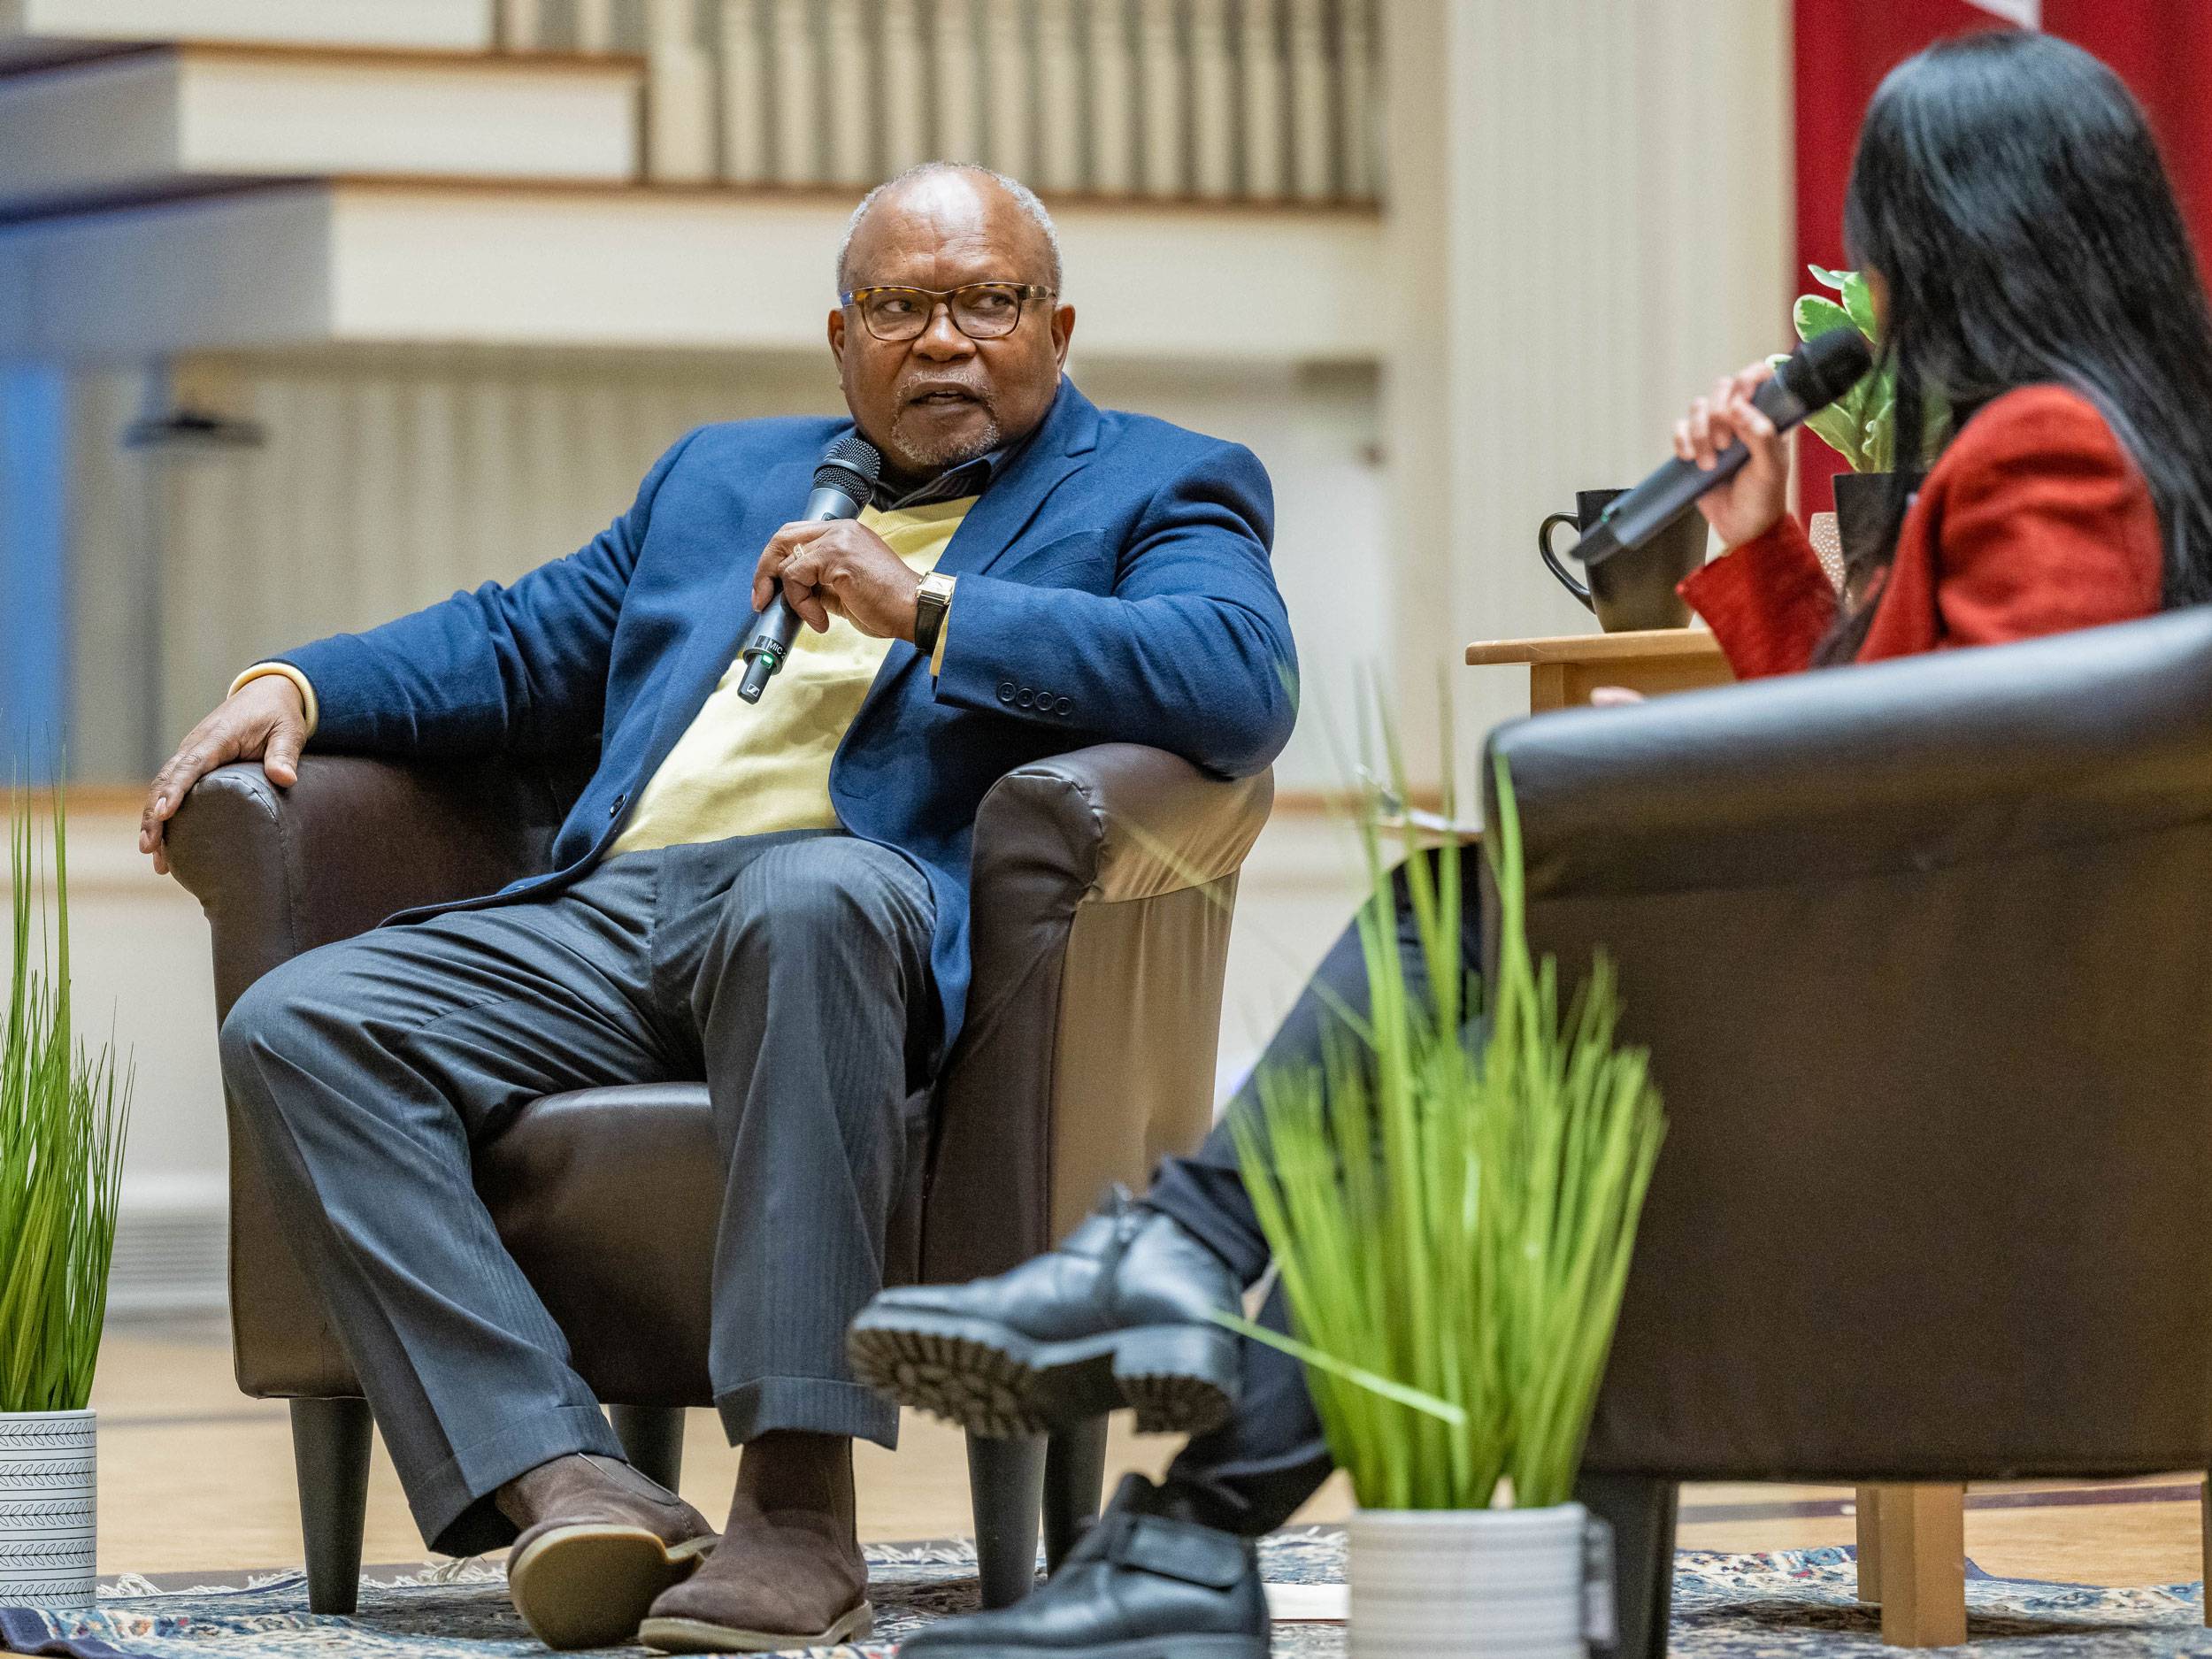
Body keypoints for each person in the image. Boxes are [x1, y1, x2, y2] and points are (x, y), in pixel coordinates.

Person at [852, 30, 2212, 1659]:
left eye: (1888, 232)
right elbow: (1925, 748)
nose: (1872, 275)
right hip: (1917, 1011)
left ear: (1965, 231)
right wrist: (1762, 554)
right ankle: (1182, 1527)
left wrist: (1677, 770)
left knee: (1471, 905)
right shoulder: (2108, 439)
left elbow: (1993, 798)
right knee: (1463, 1081)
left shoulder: (2044, 448)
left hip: (1953, 1065)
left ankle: (1182, 1303)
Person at [142, 162, 1297, 1654]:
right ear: (842, 341)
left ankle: (800, 1513)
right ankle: (568, 1478)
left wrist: (927, 607)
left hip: (863, 910)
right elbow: (513, 643)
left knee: (802, 897)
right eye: (899, 307)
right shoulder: (721, 479)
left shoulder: (1160, 481)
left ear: (1056, 329)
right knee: (304, 1021)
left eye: (986, 303)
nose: (942, 339)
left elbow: (1237, 678)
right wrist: (290, 684)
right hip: (622, 912)